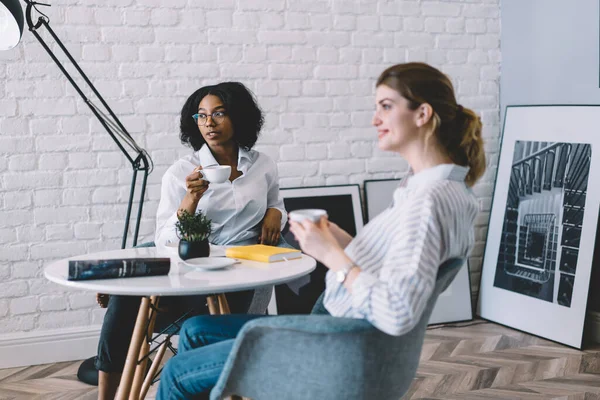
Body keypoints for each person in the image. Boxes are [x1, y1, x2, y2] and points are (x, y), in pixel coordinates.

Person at [155, 62, 487, 400]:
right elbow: (398, 265)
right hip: (337, 327)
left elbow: (397, 311)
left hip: (339, 347)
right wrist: (337, 239)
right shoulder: (438, 188)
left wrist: (331, 254)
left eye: (386, 106)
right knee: (196, 329)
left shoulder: (427, 202)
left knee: (178, 372)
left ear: (422, 114)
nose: (375, 119)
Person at [94, 82, 288, 400]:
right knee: (124, 300)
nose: (208, 122)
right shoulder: (181, 173)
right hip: (189, 274)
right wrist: (191, 199)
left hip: (240, 279)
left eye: (219, 113)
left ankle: (193, 386)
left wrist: (275, 213)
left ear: (238, 116)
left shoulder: (262, 165)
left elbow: (276, 202)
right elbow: (165, 240)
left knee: (128, 298)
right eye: (201, 115)